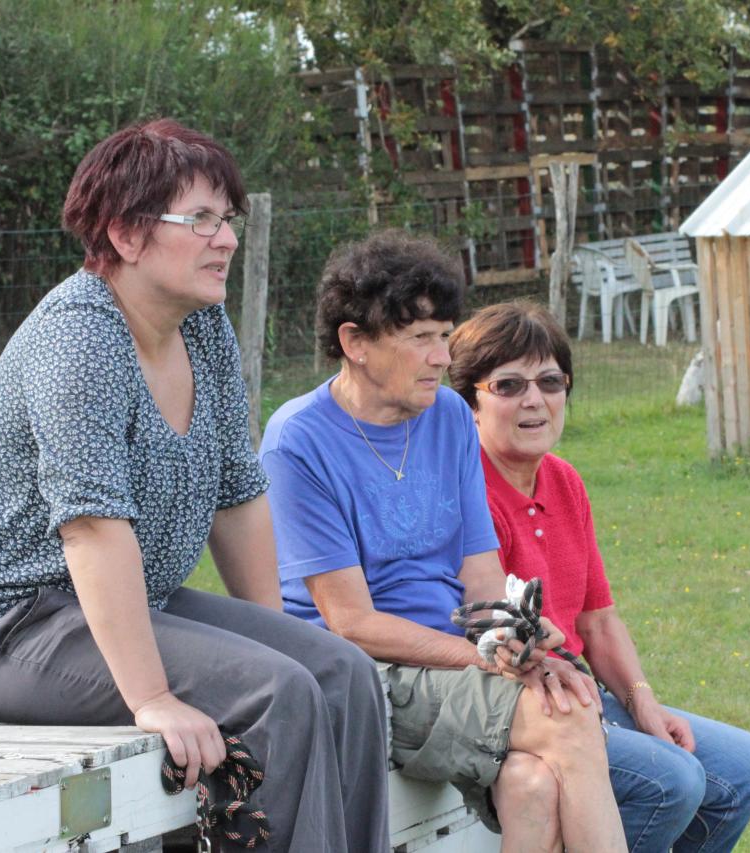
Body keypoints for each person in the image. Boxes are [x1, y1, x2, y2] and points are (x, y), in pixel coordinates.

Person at [0, 119, 390, 853]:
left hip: (123, 603)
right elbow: (89, 528)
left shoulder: (202, 328)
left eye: (227, 218)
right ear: (125, 234)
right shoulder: (80, 339)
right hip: (9, 630)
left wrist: (274, 635)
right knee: (280, 693)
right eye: (200, 219)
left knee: (338, 670)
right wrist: (150, 698)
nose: (227, 238)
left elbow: (239, 495)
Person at [259, 230, 628, 851]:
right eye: (420, 338)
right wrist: (484, 659)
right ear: (354, 343)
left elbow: (483, 575)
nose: (442, 357)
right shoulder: (298, 440)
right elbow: (351, 623)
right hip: (363, 678)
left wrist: (517, 640)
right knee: (568, 719)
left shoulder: (450, 415)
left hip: (457, 657)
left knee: (533, 783)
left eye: (445, 335)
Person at [448, 300, 750, 852]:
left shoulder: (563, 480)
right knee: (670, 782)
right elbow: (494, 644)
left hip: (587, 692)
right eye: (508, 386)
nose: (534, 400)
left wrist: (643, 700)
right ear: (470, 404)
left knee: (749, 769)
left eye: (550, 382)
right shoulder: (471, 492)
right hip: (526, 705)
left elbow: (598, 621)